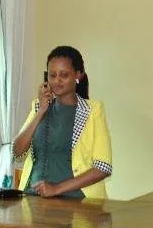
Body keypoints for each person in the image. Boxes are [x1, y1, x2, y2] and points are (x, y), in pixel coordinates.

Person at [11, 46, 112, 199]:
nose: (57, 80)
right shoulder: (38, 106)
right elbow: (17, 151)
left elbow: (103, 167)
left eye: (64, 75)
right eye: (52, 75)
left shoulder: (93, 110)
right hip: (33, 198)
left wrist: (57, 188)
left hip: (77, 201)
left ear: (78, 75)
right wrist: (41, 111)